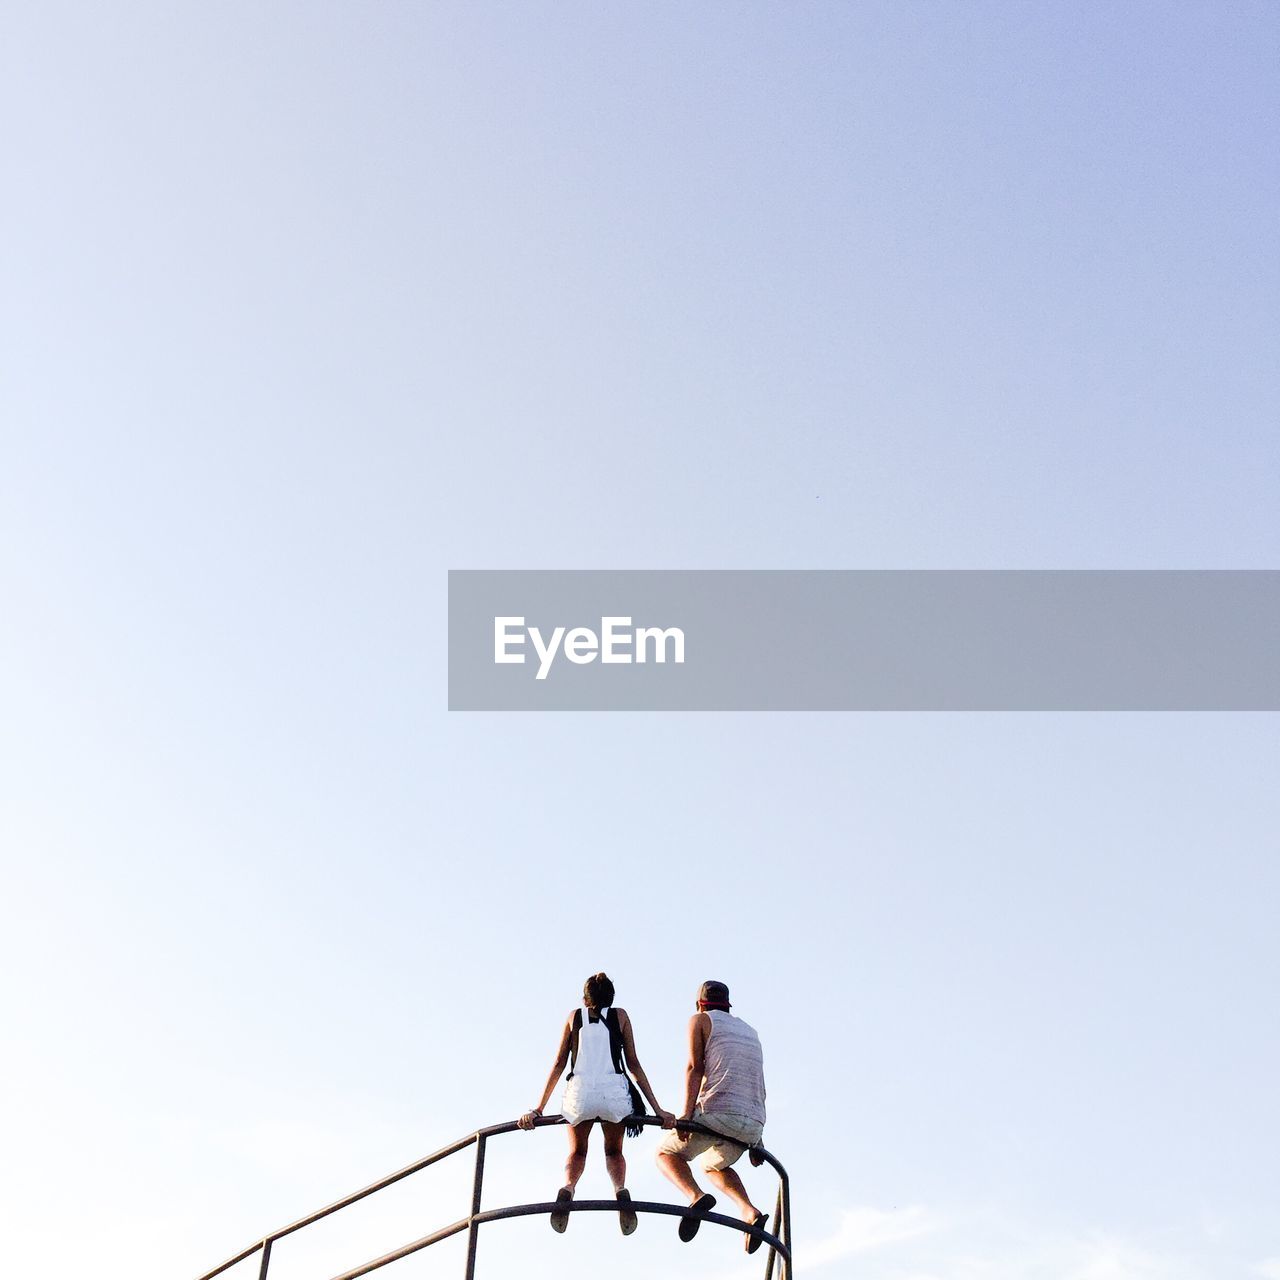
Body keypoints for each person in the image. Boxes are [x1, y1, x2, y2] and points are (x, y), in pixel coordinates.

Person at [518, 972, 675, 1234]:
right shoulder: (621, 1016)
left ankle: (568, 1187)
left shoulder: (573, 1017)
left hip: (580, 1094)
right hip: (613, 1093)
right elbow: (633, 1064)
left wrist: (538, 1109)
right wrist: (658, 1109)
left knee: (577, 1152)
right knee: (614, 1152)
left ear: (585, 997)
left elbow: (559, 1064)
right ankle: (620, 1190)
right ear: (611, 997)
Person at [655, 979, 769, 1250]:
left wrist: (685, 1115)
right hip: (753, 1122)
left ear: (699, 1004)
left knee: (665, 1154)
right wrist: (758, 1140)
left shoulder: (700, 1020)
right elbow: (759, 1083)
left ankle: (695, 1197)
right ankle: (749, 1212)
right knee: (713, 1164)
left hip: (717, 1112)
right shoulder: (751, 1032)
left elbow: (695, 1067)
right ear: (728, 1006)